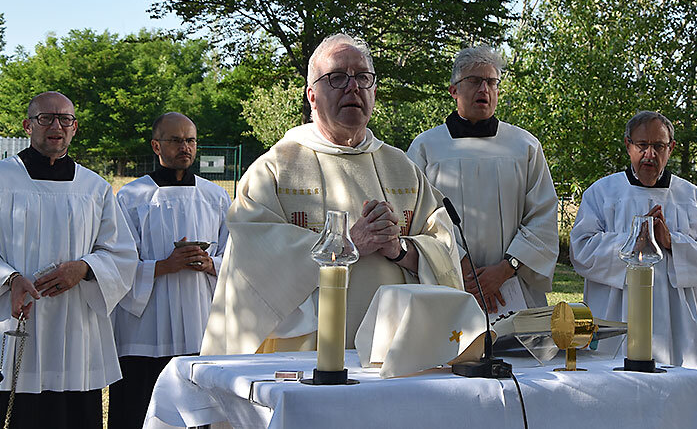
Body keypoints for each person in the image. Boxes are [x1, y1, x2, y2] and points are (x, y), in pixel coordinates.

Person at [201, 34, 462, 355]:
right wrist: (347, 244)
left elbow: (444, 248)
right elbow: (252, 270)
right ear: (312, 95)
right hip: (307, 358)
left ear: (374, 91)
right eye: (337, 77)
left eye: (363, 77)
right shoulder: (274, 170)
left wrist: (398, 248)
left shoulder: (402, 167)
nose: (353, 87)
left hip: (397, 353)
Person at [0, 91, 137, 429]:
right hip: (13, 318)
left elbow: (121, 252)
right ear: (28, 125)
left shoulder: (95, 187)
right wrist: (10, 279)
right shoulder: (2, 179)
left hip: (76, 328)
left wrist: (86, 268)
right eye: (46, 118)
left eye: (65, 119)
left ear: (74, 128)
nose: (56, 126)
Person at [570, 110, 697, 388]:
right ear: (628, 146)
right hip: (617, 312)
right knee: (617, 390)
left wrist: (672, 242)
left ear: (670, 148)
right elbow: (581, 249)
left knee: (682, 393)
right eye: (642, 145)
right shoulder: (602, 193)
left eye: (658, 146)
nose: (650, 154)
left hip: (682, 320)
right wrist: (635, 238)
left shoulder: (690, 196)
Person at [407, 46, 558, 314]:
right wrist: (462, 266)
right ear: (454, 90)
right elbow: (418, 215)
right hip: (450, 280)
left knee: (517, 353)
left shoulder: (524, 146)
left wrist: (506, 268)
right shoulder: (426, 148)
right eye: (475, 81)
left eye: (491, 82)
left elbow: (542, 216)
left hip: (512, 285)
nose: (484, 89)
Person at [109, 112, 230, 429]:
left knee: (197, 413)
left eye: (190, 140)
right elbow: (116, 262)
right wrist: (164, 266)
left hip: (199, 323)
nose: (184, 147)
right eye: (175, 140)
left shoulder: (215, 197)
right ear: (156, 145)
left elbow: (236, 257)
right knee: (138, 409)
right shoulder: (131, 197)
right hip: (144, 331)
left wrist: (210, 264)